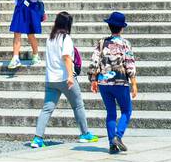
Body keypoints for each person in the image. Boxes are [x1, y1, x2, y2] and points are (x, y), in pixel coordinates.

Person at [31, 11, 98, 148]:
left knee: (47, 109)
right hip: (64, 78)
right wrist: (70, 76)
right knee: (78, 105)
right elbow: (66, 57)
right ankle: (84, 134)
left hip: (51, 79)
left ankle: (37, 139)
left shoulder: (50, 38)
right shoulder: (65, 38)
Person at [88, 11, 137, 154]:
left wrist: (93, 80)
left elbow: (94, 62)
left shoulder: (102, 42)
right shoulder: (125, 44)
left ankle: (112, 144)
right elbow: (130, 64)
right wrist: (134, 83)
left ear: (109, 26)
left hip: (104, 82)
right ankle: (118, 136)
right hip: (120, 82)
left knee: (110, 113)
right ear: (122, 28)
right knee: (127, 111)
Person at [6, 0, 44, 68]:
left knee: (30, 34)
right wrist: (17, 6)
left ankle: (36, 55)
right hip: (20, 8)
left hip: (31, 9)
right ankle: (15, 57)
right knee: (16, 32)